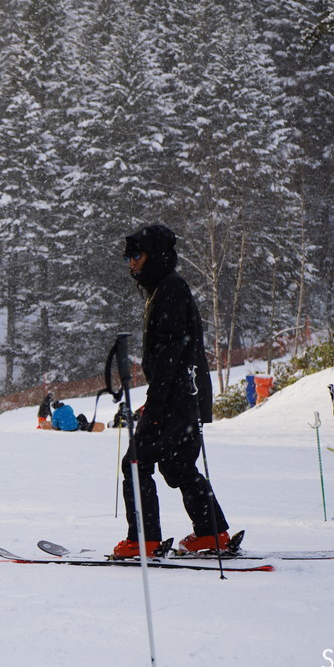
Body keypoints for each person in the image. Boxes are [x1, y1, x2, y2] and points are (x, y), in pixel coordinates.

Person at [114, 224, 230, 558]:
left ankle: (143, 541)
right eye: (128, 256)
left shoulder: (170, 290)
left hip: (176, 398)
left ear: (156, 255)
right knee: (178, 467)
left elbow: (170, 355)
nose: (131, 263)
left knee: (135, 462)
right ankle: (211, 534)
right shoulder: (164, 288)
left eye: (136, 254)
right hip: (186, 398)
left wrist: (154, 407)